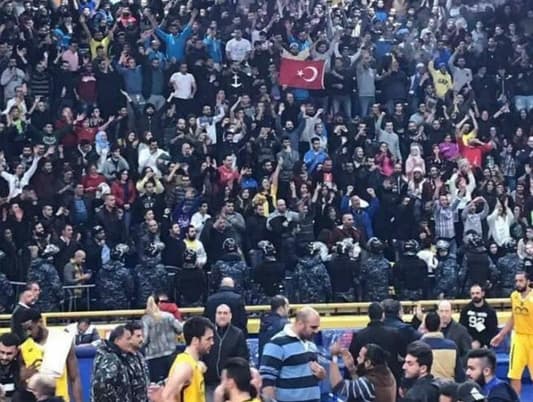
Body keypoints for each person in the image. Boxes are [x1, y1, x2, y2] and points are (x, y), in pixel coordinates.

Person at [260, 306, 326, 402]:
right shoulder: (277, 343)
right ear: (300, 324)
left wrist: (321, 374)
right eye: (313, 327)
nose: (316, 331)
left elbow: (312, 376)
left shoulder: (311, 344)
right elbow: (266, 380)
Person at [18, 309, 82, 402]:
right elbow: (22, 383)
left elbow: (75, 378)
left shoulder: (63, 339)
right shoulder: (23, 348)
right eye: (25, 330)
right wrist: (23, 378)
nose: (28, 333)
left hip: (60, 398)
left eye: (30, 328)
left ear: (40, 322)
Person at [149, 316, 215, 402]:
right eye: (208, 339)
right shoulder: (184, 366)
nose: (212, 342)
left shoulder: (192, 364)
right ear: (195, 340)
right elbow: (167, 397)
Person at [490, 271, 533, 395]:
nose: (518, 284)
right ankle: (515, 399)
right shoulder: (514, 296)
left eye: (521, 281)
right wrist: (501, 335)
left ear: (528, 282)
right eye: (516, 281)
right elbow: (513, 317)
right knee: (514, 374)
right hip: (519, 338)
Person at [349, 302, 405, 381]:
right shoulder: (394, 333)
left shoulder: (359, 335)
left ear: (369, 315)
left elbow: (354, 356)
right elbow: (402, 353)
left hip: (367, 379)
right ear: (383, 315)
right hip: (391, 377)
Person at [203, 304, 249, 402]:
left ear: (230, 316)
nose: (222, 316)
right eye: (219, 313)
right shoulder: (207, 332)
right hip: (209, 383)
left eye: (225, 313)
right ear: (215, 315)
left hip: (230, 385)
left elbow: (243, 359)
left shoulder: (238, 334)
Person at [330, 343, 396, 402]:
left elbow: (339, 386)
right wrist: (352, 369)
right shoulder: (388, 374)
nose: (357, 359)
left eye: (360, 357)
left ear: (368, 363)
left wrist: (334, 356)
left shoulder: (369, 383)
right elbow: (362, 391)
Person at [141, 296, 182, 383]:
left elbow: (144, 339)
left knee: (157, 386)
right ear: (159, 303)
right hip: (170, 354)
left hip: (153, 357)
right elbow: (179, 329)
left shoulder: (146, 319)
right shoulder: (168, 316)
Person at [91, 325, 137, 402]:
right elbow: (101, 386)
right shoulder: (110, 358)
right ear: (117, 340)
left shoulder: (118, 356)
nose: (131, 342)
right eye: (128, 339)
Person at [421, 311, 464, 382]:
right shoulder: (452, 346)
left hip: (425, 388)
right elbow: (459, 374)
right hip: (448, 388)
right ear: (440, 325)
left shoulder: (418, 346)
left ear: (424, 326)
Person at [258, 295, 290, 360]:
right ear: (281, 308)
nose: (289, 308)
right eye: (287, 306)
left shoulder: (264, 321)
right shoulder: (285, 325)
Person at [0, 333, 24, 402]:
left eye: (9, 353)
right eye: (2, 352)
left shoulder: (21, 368)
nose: (4, 357)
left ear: (17, 351)